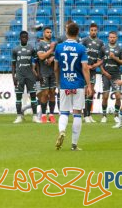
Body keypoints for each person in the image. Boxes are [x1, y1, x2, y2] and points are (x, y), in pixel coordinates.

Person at [54, 22, 92, 151]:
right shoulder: (81, 48)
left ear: (66, 33)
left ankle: (62, 130)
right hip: (78, 84)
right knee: (77, 114)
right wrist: (89, 85)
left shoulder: (59, 47)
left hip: (64, 84)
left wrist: (58, 82)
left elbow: (55, 68)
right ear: (77, 33)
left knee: (64, 112)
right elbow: (85, 68)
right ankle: (74, 145)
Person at [12, 31, 38, 124]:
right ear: (20, 38)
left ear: (28, 38)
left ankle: (35, 116)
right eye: (22, 37)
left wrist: (37, 74)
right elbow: (13, 65)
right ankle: (19, 116)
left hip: (30, 75)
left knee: (33, 95)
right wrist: (13, 77)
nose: (24, 39)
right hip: (19, 76)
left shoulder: (31, 48)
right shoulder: (15, 49)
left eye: (26, 37)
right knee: (18, 96)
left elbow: (36, 61)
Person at [100, 31, 122, 123]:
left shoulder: (120, 49)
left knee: (118, 96)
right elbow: (100, 62)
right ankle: (104, 115)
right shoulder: (103, 48)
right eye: (110, 37)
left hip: (116, 75)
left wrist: (114, 57)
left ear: (116, 38)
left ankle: (116, 115)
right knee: (105, 96)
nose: (112, 39)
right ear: (108, 38)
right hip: (106, 75)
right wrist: (104, 72)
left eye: (114, 37)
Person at [81, 23, 104, 123]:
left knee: (91, 91)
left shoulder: (100, 43)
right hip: (85, 69)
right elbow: (80, 54)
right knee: (86, 91)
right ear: (89, 31)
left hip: (93, 70)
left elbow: (102, 58)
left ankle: (89, 115)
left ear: (97, 31)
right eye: (92, 30)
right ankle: (85, 115)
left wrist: (96, 64)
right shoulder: (84, 40)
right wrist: (86, 65)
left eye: (95, 30)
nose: (93, 32)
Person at [36, 27, 57, 123]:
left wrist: (52, 58)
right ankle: (43, 115)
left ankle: (51, 115)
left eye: (50, 32)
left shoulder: (54, 44)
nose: (49, 34)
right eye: (47, 32)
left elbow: (58, 56)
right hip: (44, 72)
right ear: (44, 33)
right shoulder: (40, 44)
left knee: (52, 92)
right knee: (45, 93)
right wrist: (51, 50)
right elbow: (41, 57)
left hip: (53, 72)